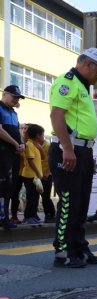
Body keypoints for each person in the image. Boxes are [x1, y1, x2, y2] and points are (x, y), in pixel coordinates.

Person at [49, 48, 97, 268]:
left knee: (82, 202)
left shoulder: (83, 87)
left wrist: (88, 152)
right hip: (67, 150)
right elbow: (56, 115)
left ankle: (79, 247)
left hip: (82, 151)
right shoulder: (67, 83)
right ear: (89, 65)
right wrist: (67, 148)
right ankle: (63, 252)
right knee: (68, 201)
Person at [0, 85, 25, 230]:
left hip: (13, 154)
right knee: (3, 186)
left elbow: (17, 130)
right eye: (14, 96)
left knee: (10, 187)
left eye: (18, 97)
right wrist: (16, 143)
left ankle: (5, 216)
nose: (16, 100)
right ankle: (3, 218)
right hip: (2, 153)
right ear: (5, 94)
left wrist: (22, 144)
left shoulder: (14, 113)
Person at [20, 124, 45, 224]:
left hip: (35, 176)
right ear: (37, 135)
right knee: (31, 197)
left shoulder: (36, 145)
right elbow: (30, 161)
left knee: (36, 196)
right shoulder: (29, 145)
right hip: (30, 176)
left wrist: (40, 148)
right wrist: (38, 172)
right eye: (42, 135)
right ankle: (28, 217)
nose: (43, 137)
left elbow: (43, 157)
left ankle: (33, 215)